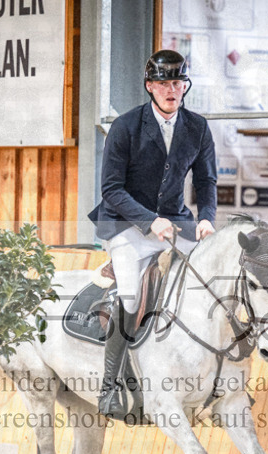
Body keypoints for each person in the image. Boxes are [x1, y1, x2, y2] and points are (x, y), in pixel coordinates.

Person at [88, 49, 218, 418]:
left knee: (208, 282)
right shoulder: (126, 126)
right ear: (150, 87)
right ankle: (110, 387)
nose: (171, 90)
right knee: (131, 298)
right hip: (126, 223)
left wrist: (207, 217)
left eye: (177, 83)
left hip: (176, 220)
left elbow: (206, 181)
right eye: (164, 83)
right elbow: (111, 189)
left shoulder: (197, 127)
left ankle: (213, 378)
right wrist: (149, 221)